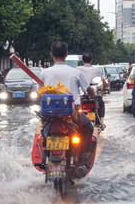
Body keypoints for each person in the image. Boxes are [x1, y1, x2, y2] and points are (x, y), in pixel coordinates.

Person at [40, 42, 96, 172]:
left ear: (51, 55)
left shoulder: (44, 73)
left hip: (50, 117)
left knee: (42, 130)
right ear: (66, 55)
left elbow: (40, 93)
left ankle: (44, 155)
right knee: (88, 126)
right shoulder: (75, 72)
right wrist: (92, 97)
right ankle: (82, 160)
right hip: (72, 115)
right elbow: (89, 91)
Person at [77, 52, 106, 129]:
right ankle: (102, 122)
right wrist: (104, 89)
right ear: (91, 60)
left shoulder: (77, 69)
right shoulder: (97, 70)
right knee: (101, 102)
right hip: (93, 95)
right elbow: (103, 82)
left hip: (80, 95)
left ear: (82, 60)